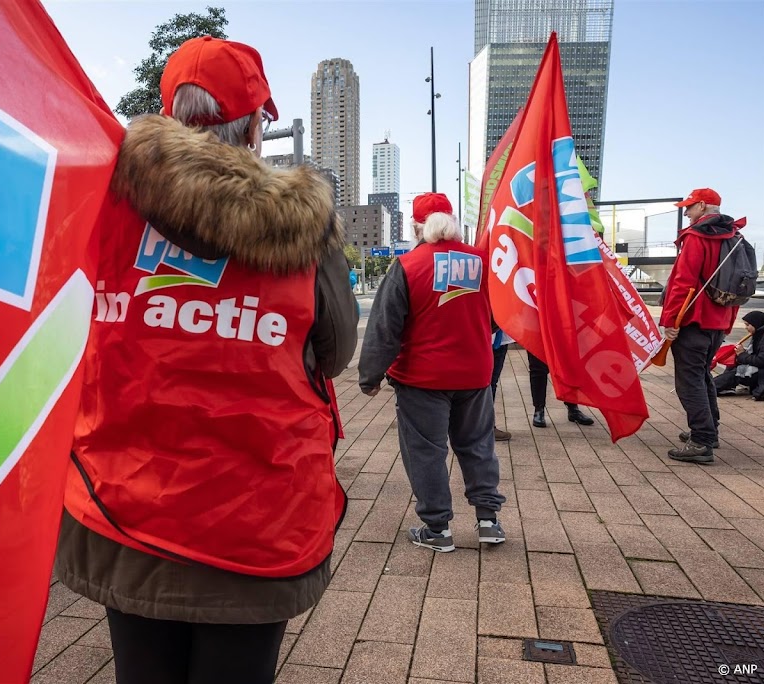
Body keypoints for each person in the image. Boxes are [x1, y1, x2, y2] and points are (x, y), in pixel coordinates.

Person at [56, 36, 358, 684]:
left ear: (169, 115)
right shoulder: (304, 228)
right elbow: (335, 353)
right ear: (253, 127)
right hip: (257, 522)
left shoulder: (102, 206)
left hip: (124, 503)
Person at [359, 192, 506, 553]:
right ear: (452, 222)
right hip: (475, 373)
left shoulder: (408, 265)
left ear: (416, 226)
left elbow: (385, 327)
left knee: (426, 450)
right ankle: (489, 520)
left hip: (422, 378)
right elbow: (496, 316)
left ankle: (437, 528)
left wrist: (370, 376)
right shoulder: (483, 262)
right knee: (478, 444)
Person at [662, 188, 743, 464]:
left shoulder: (697, 237)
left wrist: (671, 322)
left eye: (688, 208)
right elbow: (741, 285)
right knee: (702, 375)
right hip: (717, 323)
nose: (685, 213)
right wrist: (728, 323)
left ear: (701, 206)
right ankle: (711, 430)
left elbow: (682, 283)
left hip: (693, 321)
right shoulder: (735, 238)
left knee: (689, 381)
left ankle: (702, 440)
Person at [527, 352, 596, 428]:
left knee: (569, 365)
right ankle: (539, 410)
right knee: (538, 367)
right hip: (539, 340)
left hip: (562, 339)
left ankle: (573, 408)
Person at [714, 311, 764, 400]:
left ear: (756, 323)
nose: (746, 328)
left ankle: (709, 388)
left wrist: (742, 354)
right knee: (732, 364)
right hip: (760, 368)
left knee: (738, 372)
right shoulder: (760, 333)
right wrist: (740, 354)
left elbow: (762, 361)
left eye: (747, 325)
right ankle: (725, 387)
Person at [491, 327, 514, 441]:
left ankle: (488, 426)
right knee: (485, 384)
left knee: (491, 384)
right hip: (480, 336)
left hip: (500, 338)